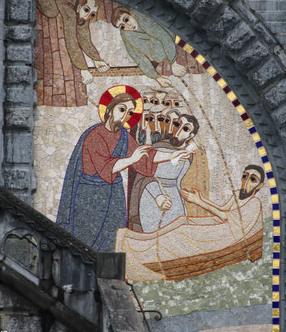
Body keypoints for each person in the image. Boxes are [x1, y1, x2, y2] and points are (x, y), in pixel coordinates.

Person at [56, 86, 190, 252]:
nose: (125, 115)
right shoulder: (95, 135)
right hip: (90, 195)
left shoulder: (124, 136)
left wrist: (171, 156)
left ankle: (113, 276)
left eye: (130, 112)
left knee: (115, 240)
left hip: (114, 195)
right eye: (122, 109)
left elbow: (145, 156)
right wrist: (131, 159)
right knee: (86, 239)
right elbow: (106, 166)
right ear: (111, 109)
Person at [115, 164, 265, 281]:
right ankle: (142, 240)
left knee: (182, 230)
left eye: (253, 179)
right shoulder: (237, 194)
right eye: (245, 176)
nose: (246, 182)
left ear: (259, 186)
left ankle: (141, 251)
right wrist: (200, 199)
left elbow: (227, 217)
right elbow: (222, 209)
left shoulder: (255, 202)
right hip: (222, 227)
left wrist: (198, 202)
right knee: (182, 220)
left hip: (229, 235)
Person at [129, 114, 200, 232]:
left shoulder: (188, 156)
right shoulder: (157, 148)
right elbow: (144, 176)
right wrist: (158, 196)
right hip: (152, 196)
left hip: (175, 200)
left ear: (190, 135)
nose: (179, 130)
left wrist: (183, 200)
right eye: (177, 124)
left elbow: (178, 181)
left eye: (185, 128)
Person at [111, 7, 186, 86]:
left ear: (131, 14)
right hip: (156, 57)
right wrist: (157, 78)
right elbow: (138, 57)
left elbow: (164, 37)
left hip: (170, 42)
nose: (128, 25)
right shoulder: (125, 35)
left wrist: (174, 63)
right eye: (122, 26)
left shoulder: (142, 18)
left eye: (126, 19)